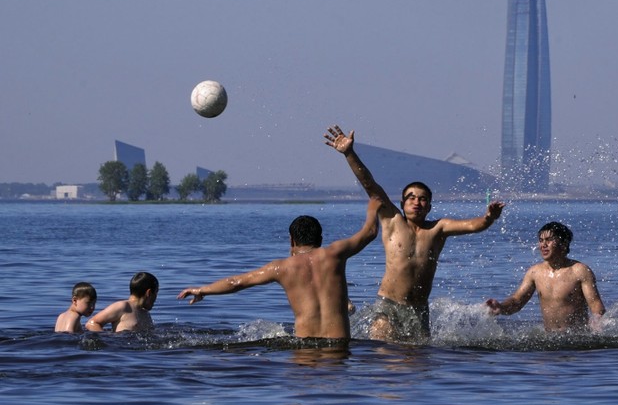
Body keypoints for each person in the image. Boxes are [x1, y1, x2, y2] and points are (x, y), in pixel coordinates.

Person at [324, 125, 505, 342]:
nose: (416, 202)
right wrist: (349, 154)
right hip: (388, 306)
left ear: (429, 206)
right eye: (411, 198)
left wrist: (489, 218)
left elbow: (473, 226)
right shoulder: (392, 220)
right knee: (385, 356)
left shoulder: (439, 228)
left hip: (418, 310)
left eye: (422, 199)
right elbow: (370, 185)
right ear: (402, 203)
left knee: (418, 367)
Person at [177, 197, 381, 340]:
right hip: (340, 346)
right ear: (320, 239)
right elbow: (370, 232)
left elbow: (236, 282)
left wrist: (202, 290)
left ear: (291, 240)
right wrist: (373, 205)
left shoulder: (281, 268)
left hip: (304, 347)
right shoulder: (335, 254)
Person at [486, 222, 606, 332]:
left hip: (576, 340)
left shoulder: (580, 271)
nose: (543, 245)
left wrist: (597, 322)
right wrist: (501, 307)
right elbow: (517, 301)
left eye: (549, 240)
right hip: (550, 340)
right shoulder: (535, 272)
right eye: (541, 240)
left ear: (563, 243)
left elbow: (596, 304)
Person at [86, 272, 159, 333]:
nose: (156, 298)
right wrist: (107, 340)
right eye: (156, 293)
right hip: (119, 348)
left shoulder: (146, 314)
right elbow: (91, 323)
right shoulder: (123, 307)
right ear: (148, 293)